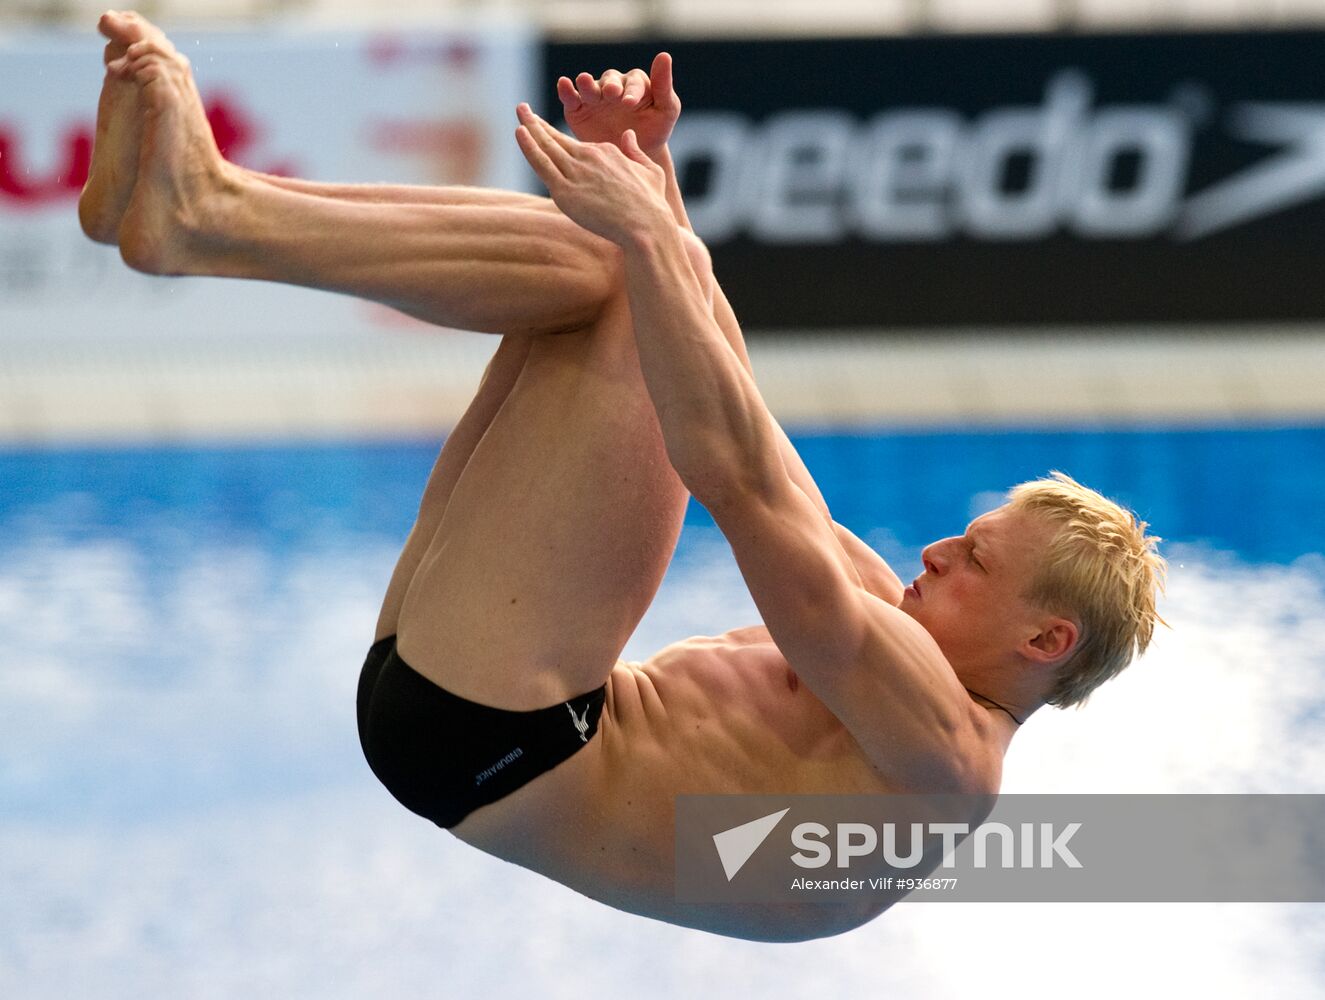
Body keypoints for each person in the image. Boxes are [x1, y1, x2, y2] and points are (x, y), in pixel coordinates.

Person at [81, 11, 1166, 942]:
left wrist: (655, 238)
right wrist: (656, 189)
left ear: (1044, 640)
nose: (936, 548)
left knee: (623, 272)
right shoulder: (895, 639)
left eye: (975, 557)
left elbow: (734, 477)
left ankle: (207, 215)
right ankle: (207, 202)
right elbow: (737, 403)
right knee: (614, 259)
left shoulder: (940, 759)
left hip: (501, 731)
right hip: (475, 714)